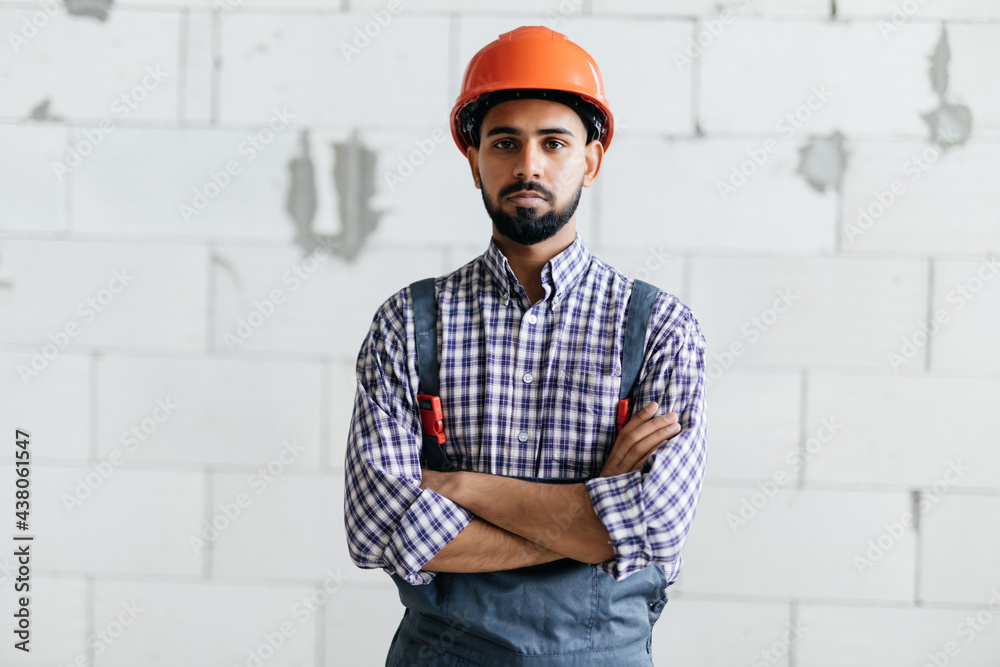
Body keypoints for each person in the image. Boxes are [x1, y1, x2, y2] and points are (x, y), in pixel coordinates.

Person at [344, 25, 708, 666]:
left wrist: (456, 485)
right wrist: (594, 517)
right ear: (474, 159)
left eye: (554, 142)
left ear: (591, 161)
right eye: (505, 142)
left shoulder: (660, 330)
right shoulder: (406, 323)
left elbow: (656, 526)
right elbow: (378, 530)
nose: (529, 164)